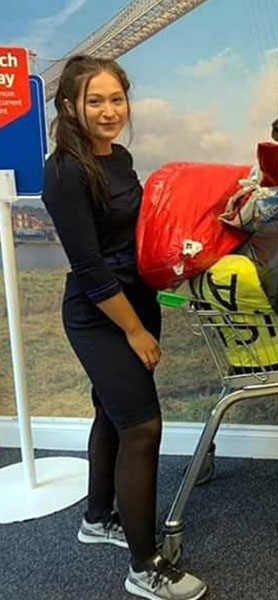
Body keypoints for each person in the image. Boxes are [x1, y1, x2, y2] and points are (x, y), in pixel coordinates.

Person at [42, 56, 207, 600]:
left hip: (135, 299)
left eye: (117, 99)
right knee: (143, 427)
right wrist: (135, 331)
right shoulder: (64, 170)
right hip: (99, 312)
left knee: (110, 414)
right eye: (95, 101)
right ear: (70, 106)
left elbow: (142, 229)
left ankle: (97, 516)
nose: (109, 111)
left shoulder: (121, 157)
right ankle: (144, 566)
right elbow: (89, 268)